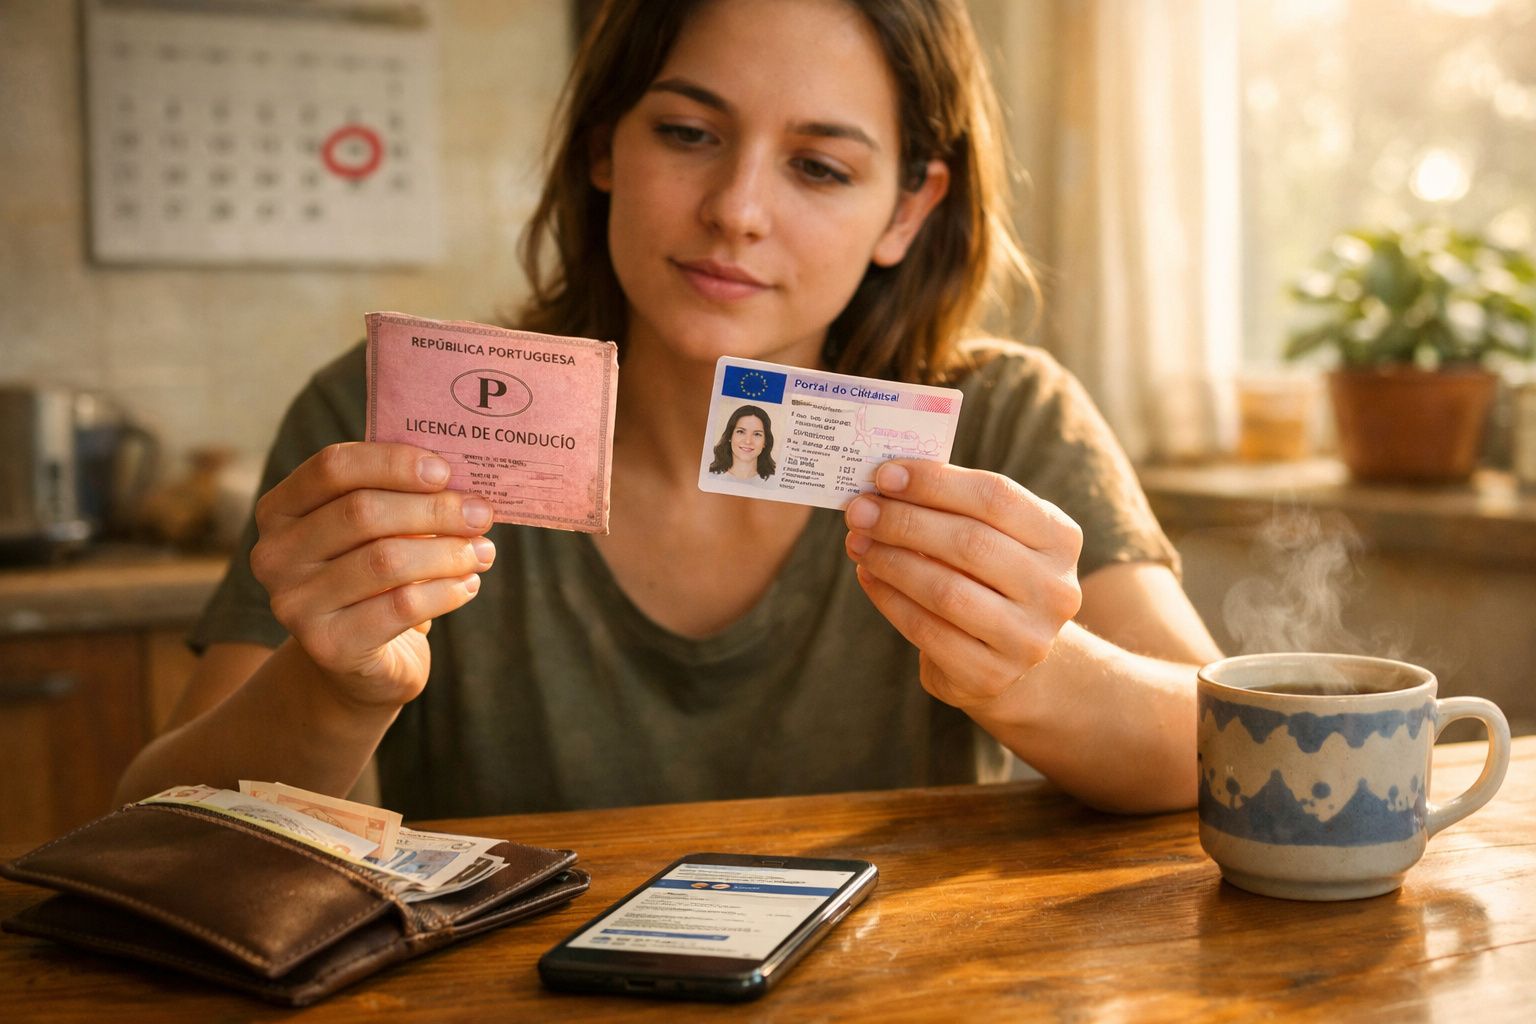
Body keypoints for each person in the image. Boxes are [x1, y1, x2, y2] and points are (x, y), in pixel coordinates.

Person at [117, 0, 1222, 819]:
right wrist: (335, 689)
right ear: (605, 142)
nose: (736, 210)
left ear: (907, 209)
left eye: (819, 167)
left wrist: (1036, 670)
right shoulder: (394, 421)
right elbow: (150, 833)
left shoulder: (1005, 421)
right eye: (689, 133)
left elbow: (1223, 744)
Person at [708, 404, 777, 482]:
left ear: (765, 442)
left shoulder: (774, 482)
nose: (748, 441)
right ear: (730, 436)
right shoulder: (710, 478)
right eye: (741, 432)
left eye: (757, 434)